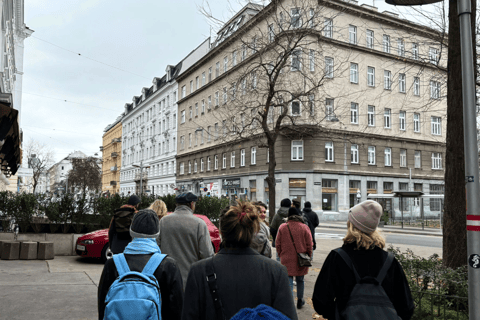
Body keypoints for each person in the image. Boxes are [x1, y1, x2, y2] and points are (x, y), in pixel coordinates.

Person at [182, 201, 297, 320]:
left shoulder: (198, 271)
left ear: (221, 232)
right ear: (254, 231)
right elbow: (288, 316)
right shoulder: (276, 271)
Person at [312, 200, 414, 320]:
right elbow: (407, 307)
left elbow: (320, 301)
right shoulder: (390, 261)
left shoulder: (337, 257)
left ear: (351, 225)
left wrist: (338, 314)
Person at [98, 209, 184, 320]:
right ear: (157, 234)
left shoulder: (112, 264)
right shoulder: (168, 265)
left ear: (131, 231)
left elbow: (102, 307)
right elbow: (176, 310)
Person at [157, 192, 214, 288]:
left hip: (167, 279)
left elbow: (156, 248)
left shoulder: (163, 221)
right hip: (191, 280)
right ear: (192, 204)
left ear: (176, 205)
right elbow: (207, 255)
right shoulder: (199, 224)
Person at [276, 207, 313, 309]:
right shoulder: (304, 227)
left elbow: (277, 244)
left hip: (286, 258)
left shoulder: (283, 227)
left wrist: (281, 255)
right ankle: (300, 300)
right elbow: (310, 244)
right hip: (301, 259)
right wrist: (308, 255)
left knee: (289, 282)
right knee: (300, 280)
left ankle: (290, 303)